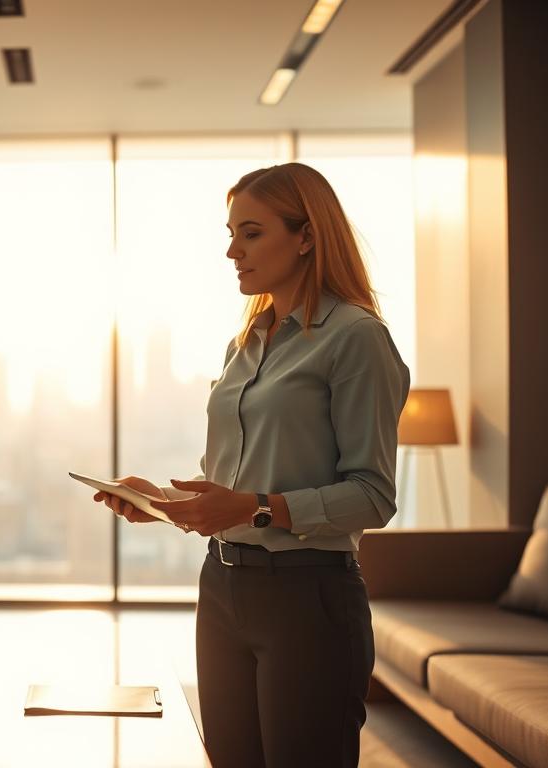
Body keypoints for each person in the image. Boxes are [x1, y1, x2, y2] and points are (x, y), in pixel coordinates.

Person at [94, 162, 409, 767]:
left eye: (251, 232)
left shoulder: (357, 338)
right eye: (231, 232)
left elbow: (373, 495)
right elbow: (234, 488)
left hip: (307, 599)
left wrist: (258, 508)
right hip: (221, 588)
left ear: (307, 235)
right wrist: (158, 500)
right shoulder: (245, 344)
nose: (232, 250)